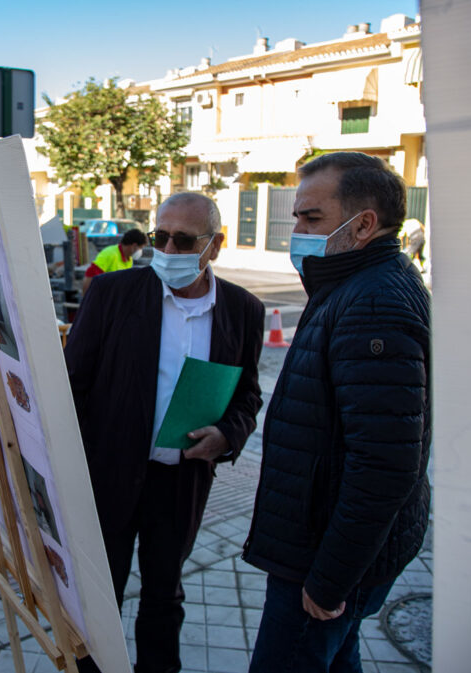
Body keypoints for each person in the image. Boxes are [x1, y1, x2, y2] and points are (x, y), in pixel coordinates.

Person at [244, 152, 431, 672]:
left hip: (321, 560)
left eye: (312, 218)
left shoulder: (372, 303)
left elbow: (385, 464)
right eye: (296, 217)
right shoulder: (357, 283)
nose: (297, 230)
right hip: (328, 548)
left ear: (364, 224)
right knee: (337, 657)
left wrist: (329, 578)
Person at [65, 192, 264, 673]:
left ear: (213, 246)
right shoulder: (112, 294)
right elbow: (72, 387)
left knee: (164, 595)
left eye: (183, 240)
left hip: (181, 483)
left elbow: (248, 395)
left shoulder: (242, 310)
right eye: (159, 237)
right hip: (109, 475)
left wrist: (227, 436)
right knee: (99, 596)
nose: (168, 251)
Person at [81, 228, 148, 294]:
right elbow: (89, 277)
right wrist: (86, 300)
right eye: (141, 248)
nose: (140, 251)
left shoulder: (129, 259)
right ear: (134, 246)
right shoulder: (110, 254)